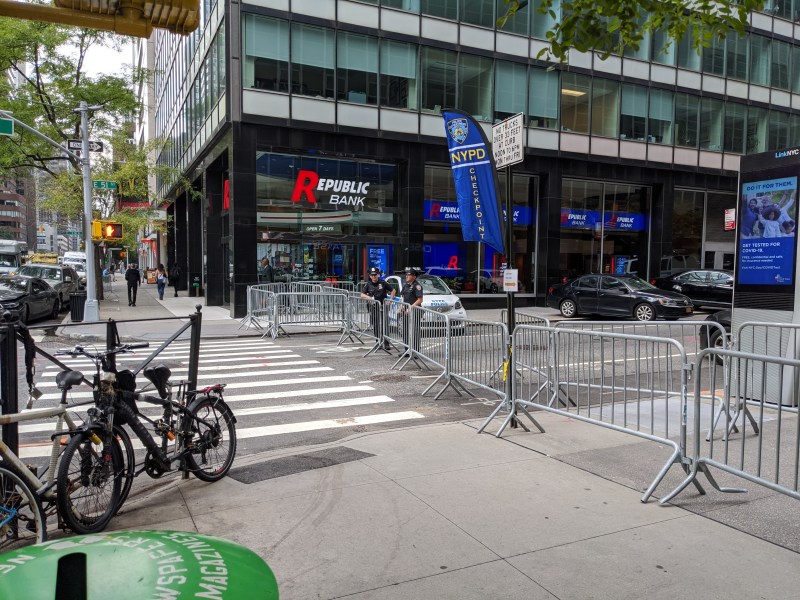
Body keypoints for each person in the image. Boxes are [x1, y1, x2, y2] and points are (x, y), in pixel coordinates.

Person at [391, 267, 423, 354]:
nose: (406, 276)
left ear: (414, 276)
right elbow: (403, 298)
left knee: (414, 331)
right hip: (405, 312)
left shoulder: (417, 286)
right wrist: (401, 307)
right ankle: (407, 350)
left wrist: (411, 307)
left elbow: (420, 300)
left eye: (409, 275)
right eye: (406, 274)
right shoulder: (406, 285)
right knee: (405, 331)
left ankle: (415, 351)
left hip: (415, 312)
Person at [361, 266, 391, 350]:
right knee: (376, 325)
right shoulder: (368, 284)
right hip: (374, 308)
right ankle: (378, 342)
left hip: (383, 306)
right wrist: (369, 298)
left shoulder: (383, 283)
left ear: (378, 275)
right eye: (372, 275)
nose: (374, 276)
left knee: (385, 324)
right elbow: (362, 295)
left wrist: (390, 300)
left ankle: (386, 343)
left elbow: (393, 290)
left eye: (375, 275)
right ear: (370, 276)